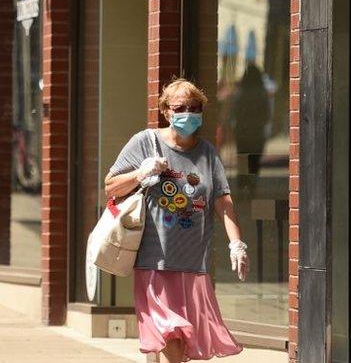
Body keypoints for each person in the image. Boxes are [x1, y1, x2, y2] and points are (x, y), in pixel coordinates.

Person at [104, 79, 247, 362]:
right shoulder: (146, 142)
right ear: (166, 111)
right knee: (172, 335)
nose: (188, 114)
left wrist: (236, 243)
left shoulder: (207, 152)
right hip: (155, 261)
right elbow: (110, 186)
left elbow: (222, 199)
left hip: (194, 265)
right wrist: (140, 174)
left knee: (177, 344)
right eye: (180, 107)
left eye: (194, 108)